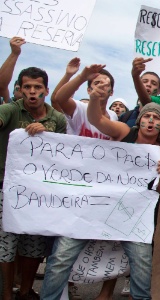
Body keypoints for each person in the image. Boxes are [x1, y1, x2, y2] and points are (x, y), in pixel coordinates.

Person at [41, 77, 160, 300]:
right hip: (92, 207)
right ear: (140, 119)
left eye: (156, 118)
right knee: (60, 257)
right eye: (147, 115)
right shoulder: (124, 133)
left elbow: (158, 191)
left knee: (142, 262)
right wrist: (96, 99)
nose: (150, 121)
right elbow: (96, 118)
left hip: (131, 217)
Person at [0, 37, 67, 300]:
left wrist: (45, 134)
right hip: (7, 190)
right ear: (20, 89)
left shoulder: (57, 119)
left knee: (33, 245)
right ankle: (7, 293)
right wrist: (14, 53)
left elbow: (61, 155)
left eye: (37, 87)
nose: (31, 92)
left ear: (45, 91)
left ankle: (26, 291)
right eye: (26, 86)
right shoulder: (10, 110)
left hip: (39, 193)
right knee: (6, 244)